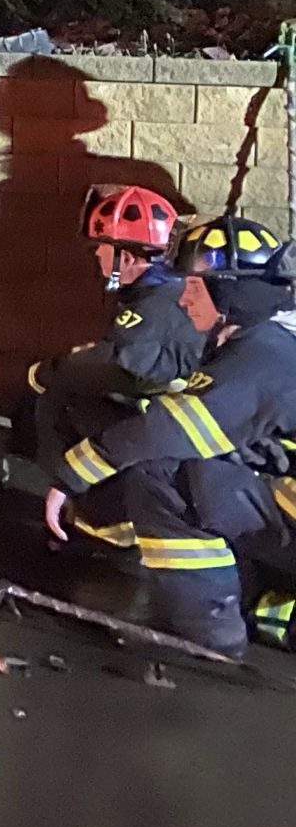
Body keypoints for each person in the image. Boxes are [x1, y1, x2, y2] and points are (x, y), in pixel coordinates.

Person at [45, 217, 296, 656]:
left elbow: (172, 428)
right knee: (218, 472)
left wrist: (70, 476)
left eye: (195, 286)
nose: (183, 297)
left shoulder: (265, 353)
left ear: (231, 294)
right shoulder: (271, 338)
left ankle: (208, 636)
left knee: (164, 480)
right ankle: (261, 605)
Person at [26, 185, 210, 473]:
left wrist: (51, 371)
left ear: (126, 258)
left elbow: (122, 368)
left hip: (167, 448)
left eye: (102, 246)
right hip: (182, 432)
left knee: (58, 401)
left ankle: (68, 491)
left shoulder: (152, 307)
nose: (97, 254)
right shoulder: (175, 293)